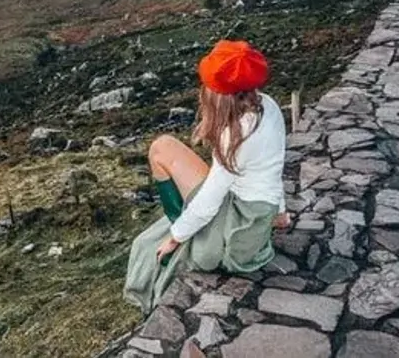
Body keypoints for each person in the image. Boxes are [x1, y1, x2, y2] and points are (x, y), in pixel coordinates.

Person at [123, 39, 290, 314]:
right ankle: (183, 225)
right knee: (168, 150)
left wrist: (176, 237)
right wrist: (279, 212)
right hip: (256, 218)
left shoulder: (234, 136)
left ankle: (179, 223)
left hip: (235, 231)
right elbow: (273, 168)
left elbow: (212, 197)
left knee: (161, 147)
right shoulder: (269, 108)